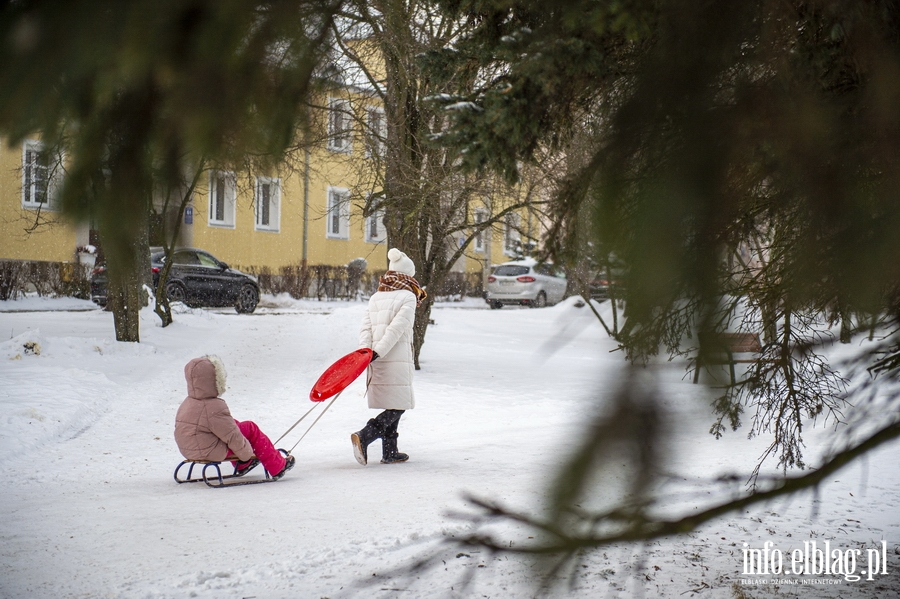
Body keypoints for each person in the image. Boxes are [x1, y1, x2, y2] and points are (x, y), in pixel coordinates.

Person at [352, 248, 427, 465]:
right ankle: (365, 436)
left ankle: (390, 451)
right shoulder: (408, 296)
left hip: (376, 358)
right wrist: (380, 351)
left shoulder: (377, 295)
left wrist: (366, 351)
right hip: (394, 356)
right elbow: (397, 328)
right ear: (407, 274)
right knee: (399, 404)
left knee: (394, 401)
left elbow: (365, 326)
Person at [175, 355, 295, 480]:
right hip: (210, 451)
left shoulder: (188, 403)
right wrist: (246, 455)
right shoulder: (214, 406)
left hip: (190, 449)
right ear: (215, 380)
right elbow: (232, 436)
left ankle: (245, 463)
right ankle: (277, 465)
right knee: (250, 428)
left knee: (232, 424)